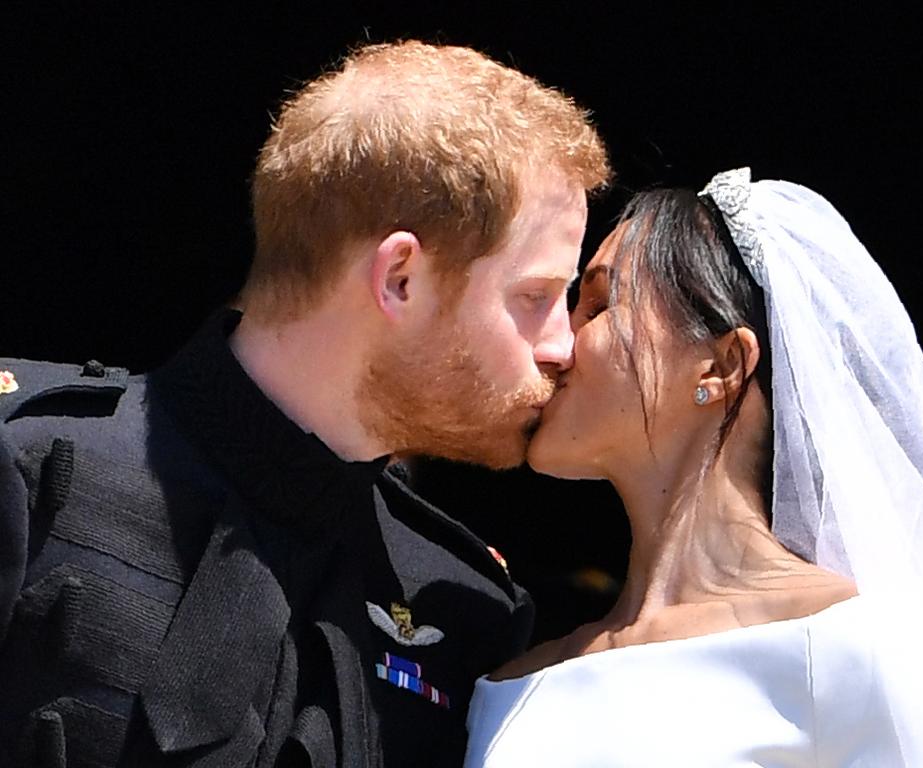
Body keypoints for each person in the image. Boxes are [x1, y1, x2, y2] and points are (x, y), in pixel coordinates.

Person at [0, 41, 609, 767]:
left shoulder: (466, 605)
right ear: (400, 280)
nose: (563, 345)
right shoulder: (29, 465)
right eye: (536, 298)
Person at [464, 168, 923, 766]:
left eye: (598, 304)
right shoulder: (509, 684)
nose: (556, 345)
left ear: (723, 366)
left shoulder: (857, 650)